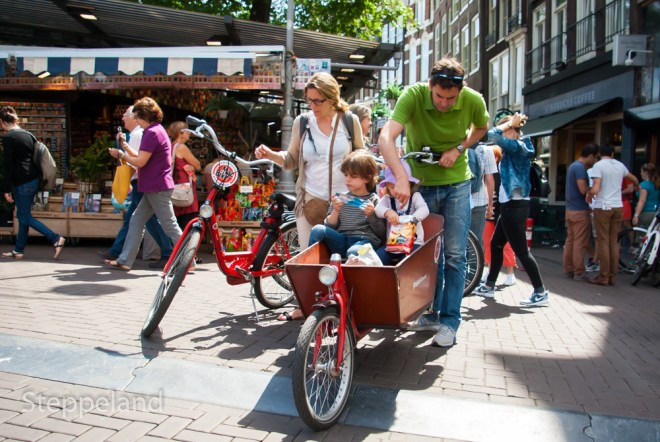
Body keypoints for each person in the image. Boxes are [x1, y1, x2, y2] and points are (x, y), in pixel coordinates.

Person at [378, 57, 489, 347]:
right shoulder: (413, 96)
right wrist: (401, 177)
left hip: (457, 184)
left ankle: (450, 320)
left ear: (461, 91)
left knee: (454, 254)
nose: (444, 103)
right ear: (429, 87)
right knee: (426, 254)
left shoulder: (473, 100)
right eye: (439, 96)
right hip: (421, 187)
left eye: (451, 98)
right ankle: (430, 312)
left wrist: (460, 147)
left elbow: (482, 127)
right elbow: (386, 137)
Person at [255, 72, 363, 321]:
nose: (312, 106)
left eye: (317, 101)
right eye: (309, 101)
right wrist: (273, 155)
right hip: (311, 199)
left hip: (346, 201)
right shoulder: (302, 123)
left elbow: (361, 152)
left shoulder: (348, 120)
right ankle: (304, 306)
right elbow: (292, 160)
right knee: (308, 257)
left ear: (332, 99)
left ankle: (344, 308)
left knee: (345, 256)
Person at [474, 113, 550, 307]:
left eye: (506, 128)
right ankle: (489, 285)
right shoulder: (518, 147)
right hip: (512, 206)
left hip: (514, 207)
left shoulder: (519, 147)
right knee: (496, 244)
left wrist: (509, 123)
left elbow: (492, 134)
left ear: (511, 130)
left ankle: (540, 292)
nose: (503, 131)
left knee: (522, 252)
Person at [105, 97, 182, 271]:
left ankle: (189, 259)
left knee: (169, 225)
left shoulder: (151, 132)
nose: (135, 120)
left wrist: (120, 155)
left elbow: (140, 162)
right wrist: (125, 146)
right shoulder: (157, 130)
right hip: (156, 185)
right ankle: (125, 259)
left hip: (157, 186)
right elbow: (143, 156)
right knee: (137, 220)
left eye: (137, 116)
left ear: (143, 116)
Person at [1, 106, 65, 259]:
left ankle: (56, 238)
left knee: (24, 216)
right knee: (24, 215)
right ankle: (19, 250)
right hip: (33, 180)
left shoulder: (9, 138)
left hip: (21, 182)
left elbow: (7, 166)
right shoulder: (28, 135)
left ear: (2, 122)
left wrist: (5, 188)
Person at [308, 150, 385, 257]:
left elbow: (381, 233)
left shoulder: (374, 199)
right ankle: (311, 267)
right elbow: (329, 227)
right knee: (317, 229)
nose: (348, 180)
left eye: (353, 176)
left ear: (367, 178)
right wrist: (336, 210)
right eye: (346, 175)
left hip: (365, 241)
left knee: (353, 252)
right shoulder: (341, 198)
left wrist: (371, 214)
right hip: (341, 240)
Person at [585, 143, 639, 286]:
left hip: (603, 206)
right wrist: (637, 188)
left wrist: (589, 193)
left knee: (602, 241)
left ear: (599, 154)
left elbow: (596, 189)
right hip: (618, 206)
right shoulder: (620, 166)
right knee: (613, 241)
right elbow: (634, 180)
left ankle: (603, 276)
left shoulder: (599, 166)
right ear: (613, 154)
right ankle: (612, 277)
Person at [375, 160, 429, 265]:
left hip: (414, 243)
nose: (397, 190)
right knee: (377, 260)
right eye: (392, 187)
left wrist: (412, 219)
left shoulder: (415, 197)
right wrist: (388, 212)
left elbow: (424, 209)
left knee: (406, 263)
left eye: (400, 186)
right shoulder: (387, 199)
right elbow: (377, 209)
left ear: (409, 184)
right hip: (393, 244)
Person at [562, 143, 599, 281]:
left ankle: (568, 269)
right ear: (590, 155)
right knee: (580, 242)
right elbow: (583, 190)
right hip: (579, 210)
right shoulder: (580, 168)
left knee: (570, 240)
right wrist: (595, 187)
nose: (595, 161)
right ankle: (579, 271)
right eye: (595, 157)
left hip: (570, 209)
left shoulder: (573, 166)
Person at [482, 145, 517, 286]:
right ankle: (490, 271)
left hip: (501, 214)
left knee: (506, 245)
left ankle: (510, 274)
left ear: (495, 158)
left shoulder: (503, 173)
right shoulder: (485, 173)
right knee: (488, 244)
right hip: (487, 215)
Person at [469, 143, 496, 245]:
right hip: (479, 201)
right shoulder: (486, 150)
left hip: (458, 199)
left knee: (457, 238)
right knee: (476, 240)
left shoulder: (459, 146)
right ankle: (477, 261)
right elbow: (489, 179)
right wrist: (490, 205)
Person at [633, 163, 660, 228]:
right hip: (655, 213)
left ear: (646, 173)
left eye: (641, 171)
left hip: (646, 213)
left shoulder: (644, 185)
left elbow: (642, 201)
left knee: (641, 234)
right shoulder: (656, 184)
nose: (640, 173)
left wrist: (636, 215)